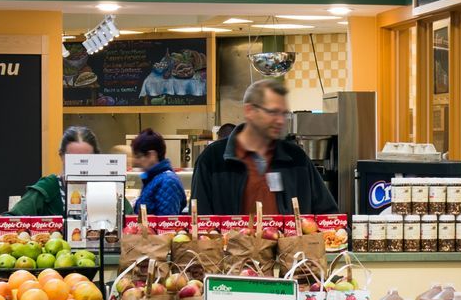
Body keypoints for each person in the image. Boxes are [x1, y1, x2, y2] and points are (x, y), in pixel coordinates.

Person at [190, 79, 336, 215]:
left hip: (288, 243)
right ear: (250, 111)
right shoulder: (212, 160)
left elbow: (328, 215)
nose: (280, 120)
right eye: (273, 112)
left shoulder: (297, 158)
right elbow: (200, 222)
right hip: (232, 243)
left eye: (284, 114)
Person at [10, 125, 97, 216]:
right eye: (73, 159)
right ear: (61, 156)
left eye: (86, 159)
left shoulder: (105, 189)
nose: (80, 165)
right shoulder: (49, 187)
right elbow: (10, 220)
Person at [129, 128, 186, 217]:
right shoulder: (153, 179)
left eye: (138, 156)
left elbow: (166, 225)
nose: (136, 161)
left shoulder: (167, 182)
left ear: (152, 155)